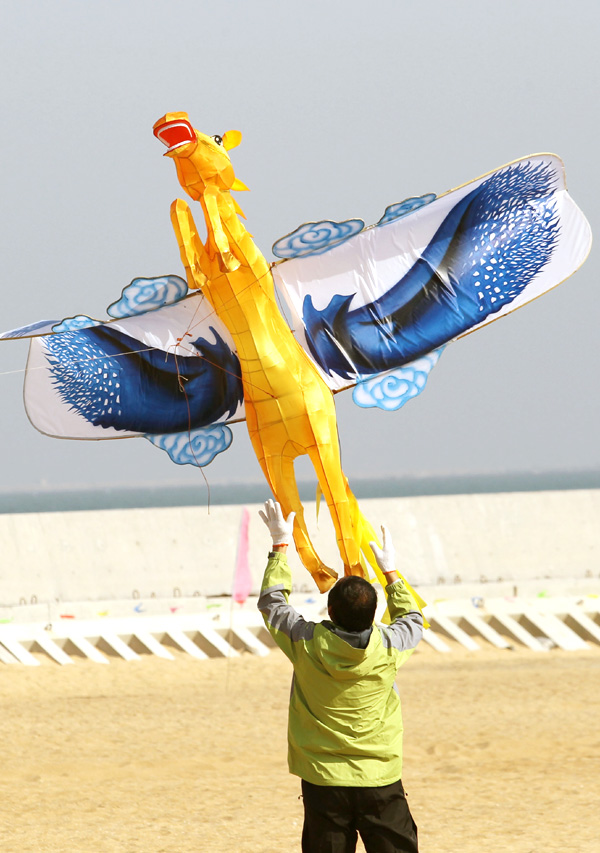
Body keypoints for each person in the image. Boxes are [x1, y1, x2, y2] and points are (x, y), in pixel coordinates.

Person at [257, 499, 423, 853]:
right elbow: (412, 620)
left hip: (323, 778)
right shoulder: (390, 647)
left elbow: (273, 604)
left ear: (330, 610)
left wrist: (280, 546)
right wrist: (390, 572)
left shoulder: (305, 643)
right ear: (374, 613)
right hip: (379, 776)